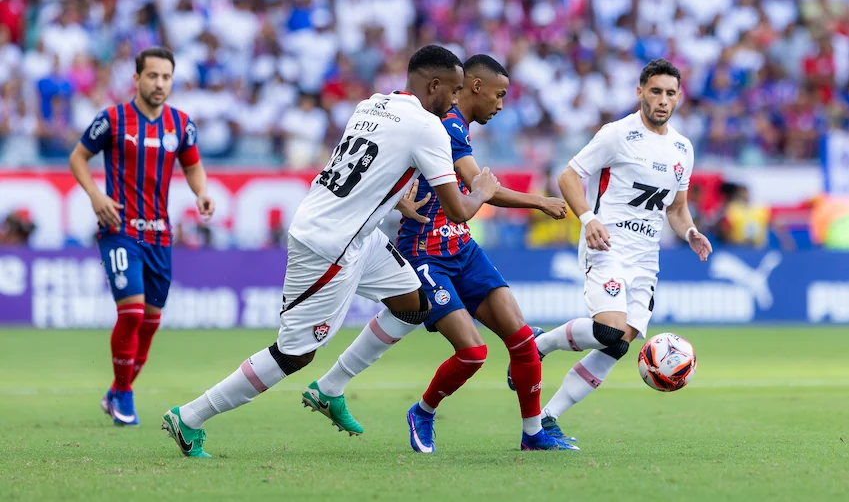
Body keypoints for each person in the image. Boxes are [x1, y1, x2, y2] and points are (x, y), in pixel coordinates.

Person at [162, 45, 500, 458]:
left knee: (414, 306)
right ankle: (190, 417)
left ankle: (331, 388)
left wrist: (393, 199)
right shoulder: (429, 128)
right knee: (294, 355)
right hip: (329, 245)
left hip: (357, 235)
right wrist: (482, 190)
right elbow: (458, 209)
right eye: (454, 90)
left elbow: (362, 168)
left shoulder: (371, 105)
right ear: (434, 85)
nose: (456, 99)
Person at [313, 54, 573, 452]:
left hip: (461, 247)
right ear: (476, 87)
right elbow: (479, 187)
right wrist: (539, 201)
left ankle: (534, 433)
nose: (501, 105)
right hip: (425, 253)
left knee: (523, 340)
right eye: (499, 95)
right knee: (473, 352)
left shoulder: (456, 127)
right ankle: (422, 411)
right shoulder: (448, 126)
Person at [517, 58, 713, 441]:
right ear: (640, 92)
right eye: (655, 91)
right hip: (606, 243)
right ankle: (538, 344)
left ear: (679, 98)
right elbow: (568, 176)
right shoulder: (617, 134)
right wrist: (588, 218)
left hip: (646, 258)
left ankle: (547, 419)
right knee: (608, 330)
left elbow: (676, 208)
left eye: (670, 93)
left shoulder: (682, 149)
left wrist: (690, 231)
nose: (662, 100)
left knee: (619, 344)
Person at [68, 46, 214, 427]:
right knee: (131, 313)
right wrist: (96, 195)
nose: (159, 83)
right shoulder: (112, 119)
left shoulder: (181, 124)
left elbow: (193, 166)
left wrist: (202, 192)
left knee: (149, 322)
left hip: (160, 234)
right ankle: (124, 396)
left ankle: (116, 391)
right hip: (119, 229)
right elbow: (78, 157)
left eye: (166, 77)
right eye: (152, 76)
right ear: (136, 79)